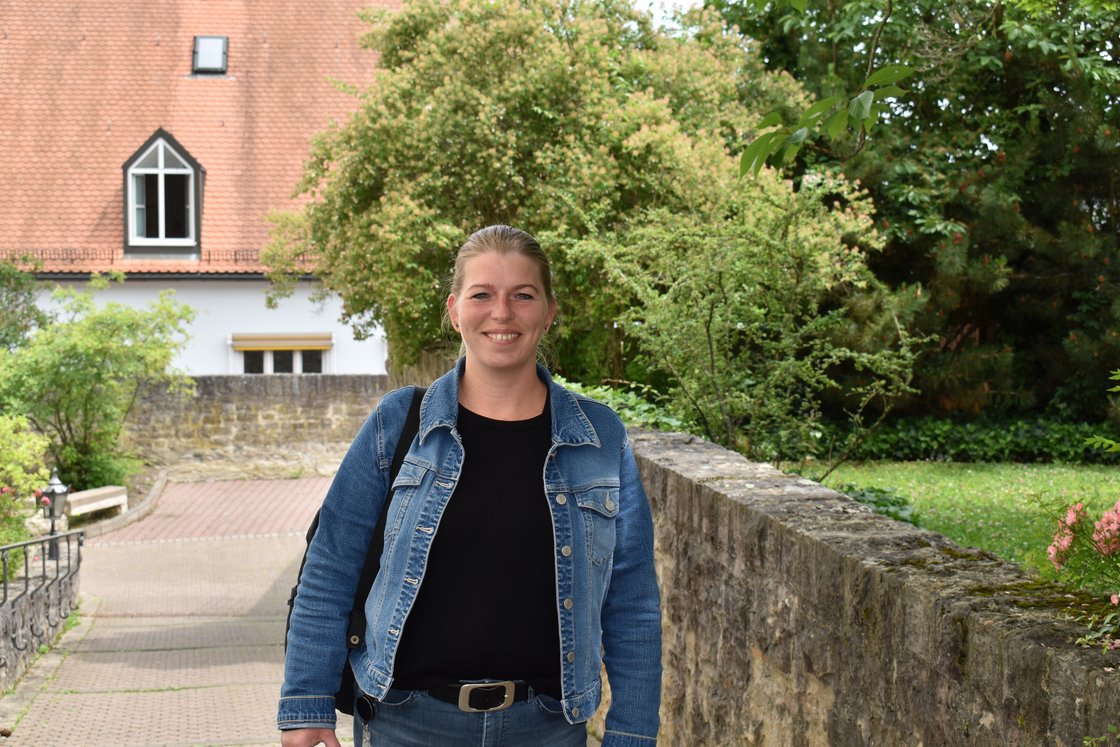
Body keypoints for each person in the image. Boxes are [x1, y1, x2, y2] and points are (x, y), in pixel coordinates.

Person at [278, 225, 662, 747]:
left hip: (549, 728)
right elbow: (331, 566)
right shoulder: (400, 424)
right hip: (406, 724)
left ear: (549, 312)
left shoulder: (599, 438)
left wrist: (632, 734)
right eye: (482, 295)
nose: (501, 313)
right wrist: (307, 704)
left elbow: (632, 602)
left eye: (522, 295)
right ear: (456, 310)